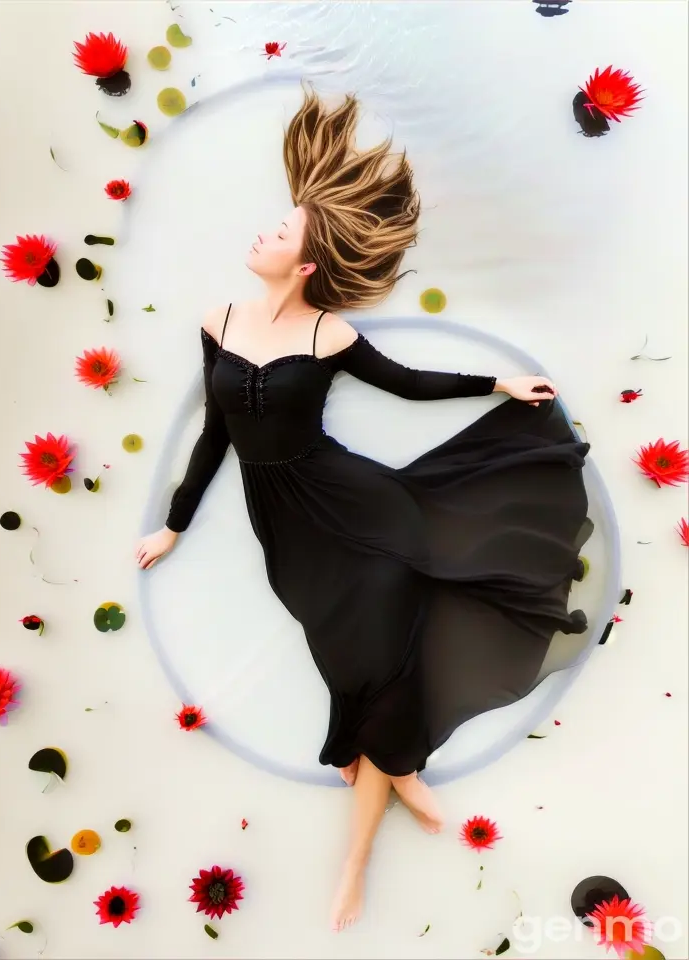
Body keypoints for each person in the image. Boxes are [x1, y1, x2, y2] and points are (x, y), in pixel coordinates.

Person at [136, 88, 591, 931]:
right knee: (350, 660)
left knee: (377, 662)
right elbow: (215, 436)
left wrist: (497, 383)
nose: (266, 232)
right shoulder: (220, 321)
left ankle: (358, 855)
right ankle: (395, 762)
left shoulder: (330, 336)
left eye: (284, 232)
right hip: (286, 523)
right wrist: (174, 522)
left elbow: (411, 387)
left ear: (305, 266)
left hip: (363, 503)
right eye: (273, 223)